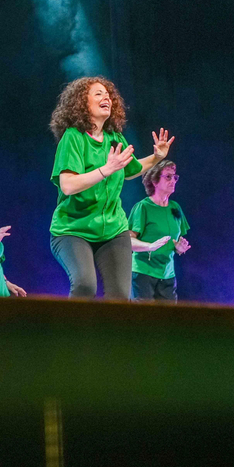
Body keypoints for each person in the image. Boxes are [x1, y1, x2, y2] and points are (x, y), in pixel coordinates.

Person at [47, 76, 174, 299]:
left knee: (120, 298)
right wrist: (106, 169)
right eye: (98, 94)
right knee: (85, 285)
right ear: (81, 103)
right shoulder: (73, 137)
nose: (106, 97)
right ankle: (71, 333)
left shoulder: (114, 138)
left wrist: (156, 157)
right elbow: (67, 185)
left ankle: (107, 334)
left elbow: (130, 169)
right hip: (73, 229)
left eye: (108, 95)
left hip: (113, 231)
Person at [128, 160, 191, 301]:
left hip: (167, 275)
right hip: (143, 272)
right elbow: (128, 241)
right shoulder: (143, 207)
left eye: (174, 177)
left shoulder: (175, 208)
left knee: (167, 320)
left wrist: (180, 248)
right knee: (144, 319)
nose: (173, 180)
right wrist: (149, 246)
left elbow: (174, 242)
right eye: (168, 177)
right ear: (155, 181)